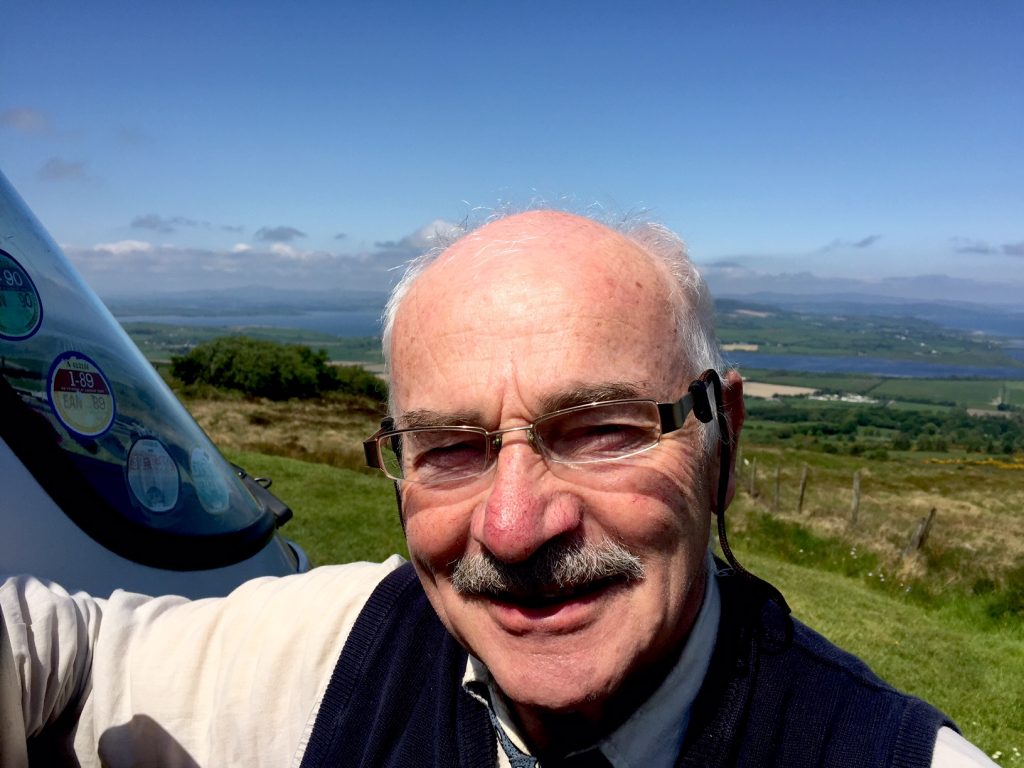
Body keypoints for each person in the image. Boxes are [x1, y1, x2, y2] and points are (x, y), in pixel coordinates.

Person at [1, 211, 995, 767]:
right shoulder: (338, 655)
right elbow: (69, 655)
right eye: (450, 448)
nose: (513, 529)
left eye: (602, 431)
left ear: (719, 440)